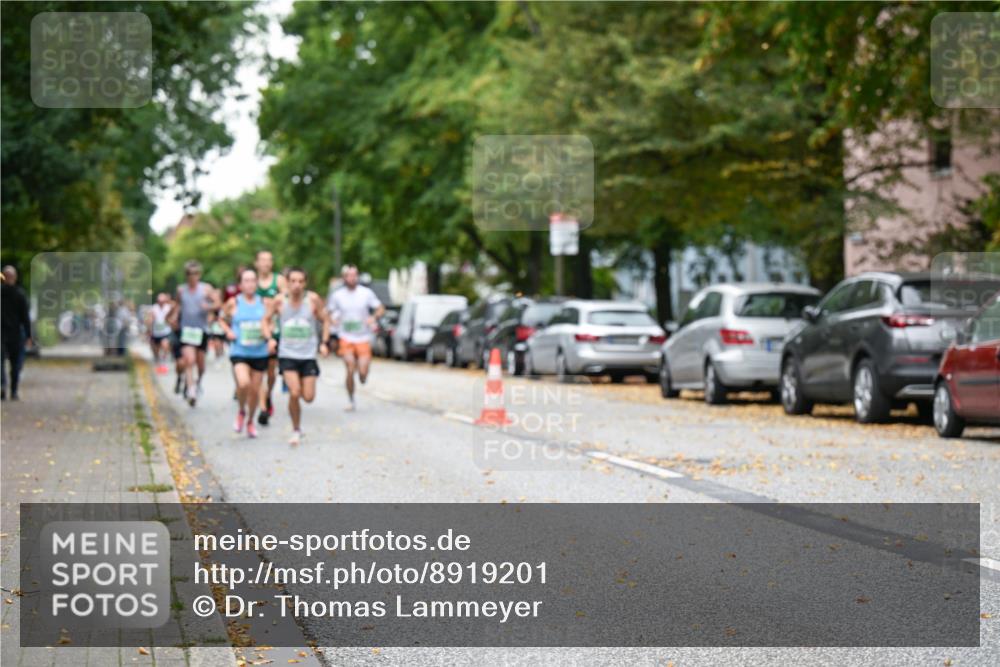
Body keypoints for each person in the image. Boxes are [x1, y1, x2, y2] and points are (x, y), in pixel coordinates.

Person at [263, 267, 329, 445]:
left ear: (305, 283)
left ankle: (297, 418)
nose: (297, 285)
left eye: (300, 281)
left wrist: (324, 342)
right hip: (287, 354)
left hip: (308, 355)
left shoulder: (312, 300)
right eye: (293, 281)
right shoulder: (279, 301)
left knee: (308, 397)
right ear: (287, 282)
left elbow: (326, 319)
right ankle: (296, 429)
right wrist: (269, 339)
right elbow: (265, 320)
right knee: (294, 392)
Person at [218, 268, 269, 438]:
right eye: (246, 280)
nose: (250, 284)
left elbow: (271, 322)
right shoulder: (234, 302)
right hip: (239, 350)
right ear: (240, 284)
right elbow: (221, 318)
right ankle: (241, 411)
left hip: (259, 352)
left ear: (257, 283)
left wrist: (269, 334)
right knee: (243, 383)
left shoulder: (264, 302)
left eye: (253, 280)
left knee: (255, 391)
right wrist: (228, 331)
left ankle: (250, 421)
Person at [327, 264, 384, 411]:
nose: (352, 278)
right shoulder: (337, 295)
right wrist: (333, 321)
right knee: (350, 368)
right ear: (344, 278)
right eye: (349, 275)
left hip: (363, 337)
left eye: (355, 275)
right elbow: (328, 312)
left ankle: (363, 373)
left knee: (363, 375)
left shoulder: (366, 293)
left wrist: (373, 317)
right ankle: (351, 400)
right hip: (345, 337)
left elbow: (380, 308)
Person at [176, 260, 220, 407]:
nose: (192, 277)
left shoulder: (206, 289)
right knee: (189, 360)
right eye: (189, 274)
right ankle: (191, 390)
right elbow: (177, 307)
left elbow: (218, 304)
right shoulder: (181, 290)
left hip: (201, 331)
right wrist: (174, 321)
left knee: (201, 365)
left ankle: (198, 381)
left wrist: (208, 306)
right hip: (186, 330)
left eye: (195, 274)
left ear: (199, 275)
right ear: (186, 275)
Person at [255, 250, 286, 425]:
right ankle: (263, 407)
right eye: (263, 260)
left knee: (271, 370)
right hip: (255, 331)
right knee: (259, 369)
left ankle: (268, 395)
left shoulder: (279, 280)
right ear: (257, 263)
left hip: (274, 329)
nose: (266, 263)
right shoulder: (251, 281)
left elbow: (286, 299)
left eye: (269, 260)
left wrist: (274, 306)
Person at [1, 266, 31, 401]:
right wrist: (29, 335)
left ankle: (2, 385)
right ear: (15, 277)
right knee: (15, 364)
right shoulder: (20, 294)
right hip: (15, 333)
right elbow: (25, 317)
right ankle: (13, 391)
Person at [146, 293, 174, 374]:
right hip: (156, 333)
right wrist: (149, 325)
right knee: (156, 351)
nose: (161, 302)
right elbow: (149, 319)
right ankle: (158, 362)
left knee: (165, 345)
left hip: (166, 332)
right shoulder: (154, 308)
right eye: (159, 301)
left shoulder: (168, 307)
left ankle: (164, 361)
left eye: (162, 301)